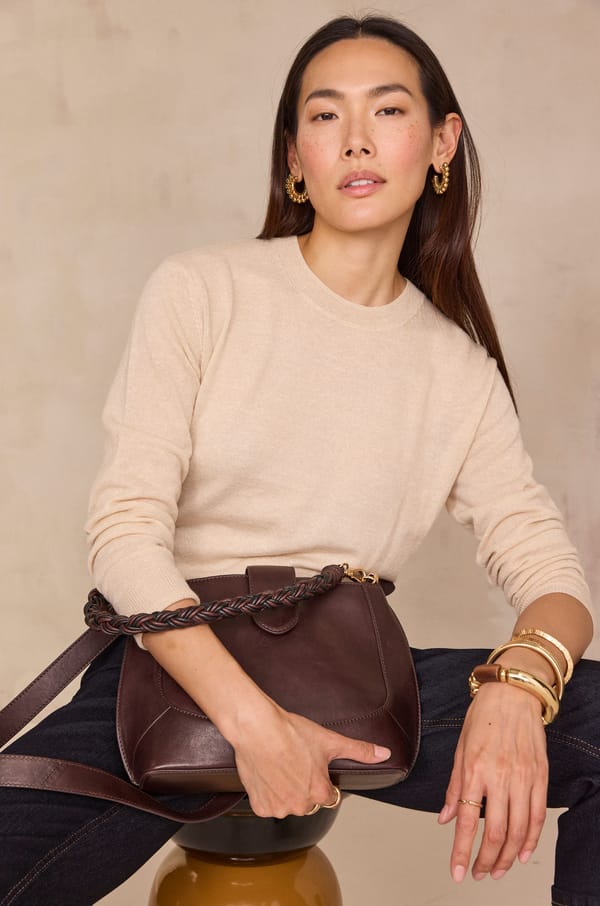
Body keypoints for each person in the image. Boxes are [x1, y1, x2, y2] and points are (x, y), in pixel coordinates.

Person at [0, 13, 597, 906]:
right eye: (324, 115)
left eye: (387, 110)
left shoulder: (459, 372)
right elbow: (124, 534)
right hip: (174, 669)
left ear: (442, 143)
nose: (355, 139)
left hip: (349, 678)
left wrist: (517, 688)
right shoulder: (203, 290)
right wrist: (257, 727)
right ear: (294, 157)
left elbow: (551, 574)